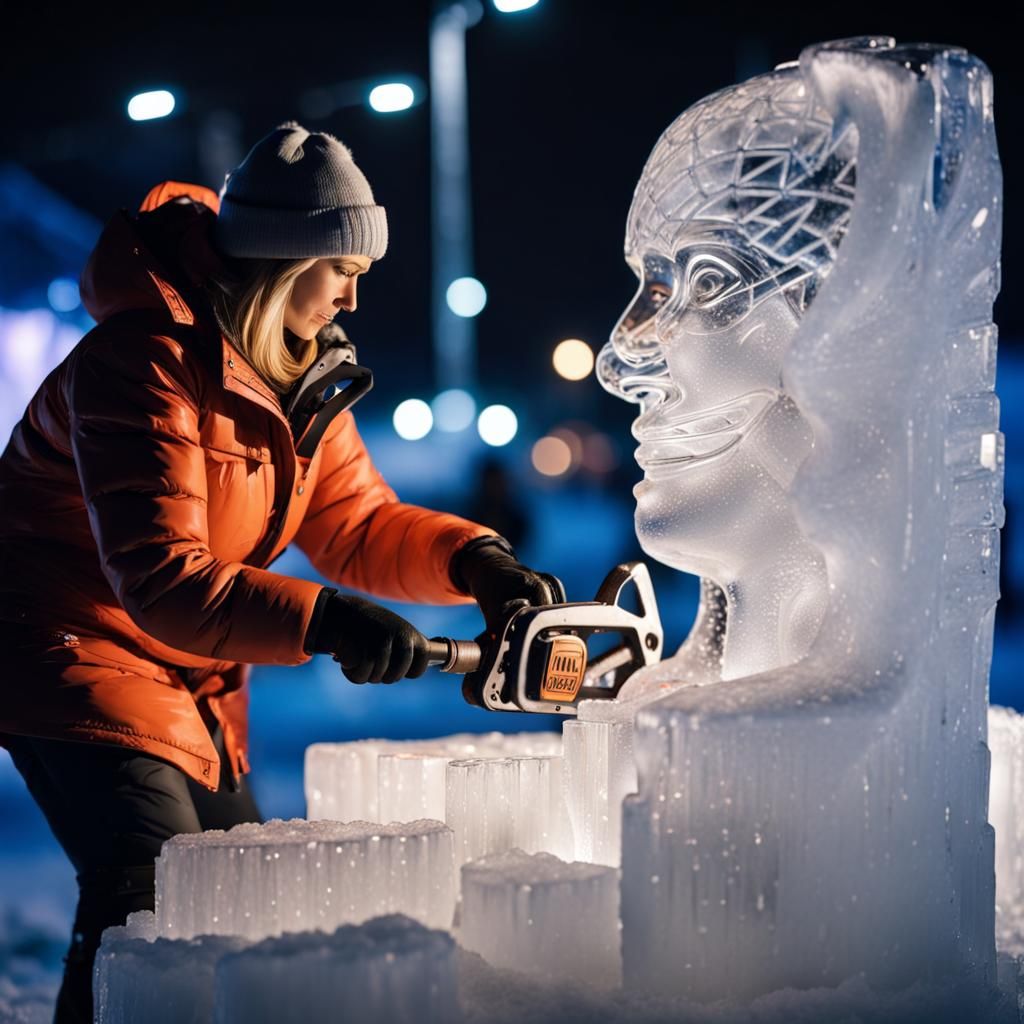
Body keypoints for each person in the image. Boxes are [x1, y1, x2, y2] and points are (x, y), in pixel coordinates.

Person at [0, 122, 559, 1023]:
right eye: (343, 272)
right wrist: (327, 621)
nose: (350, 298)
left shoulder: (297, 379)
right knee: (151, 898)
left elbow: (358, 523)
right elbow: (163, 579)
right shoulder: (141, 367)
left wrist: (475, 559)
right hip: (61, 640)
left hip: (187, 666)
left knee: (234, 892)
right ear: (287, 259)